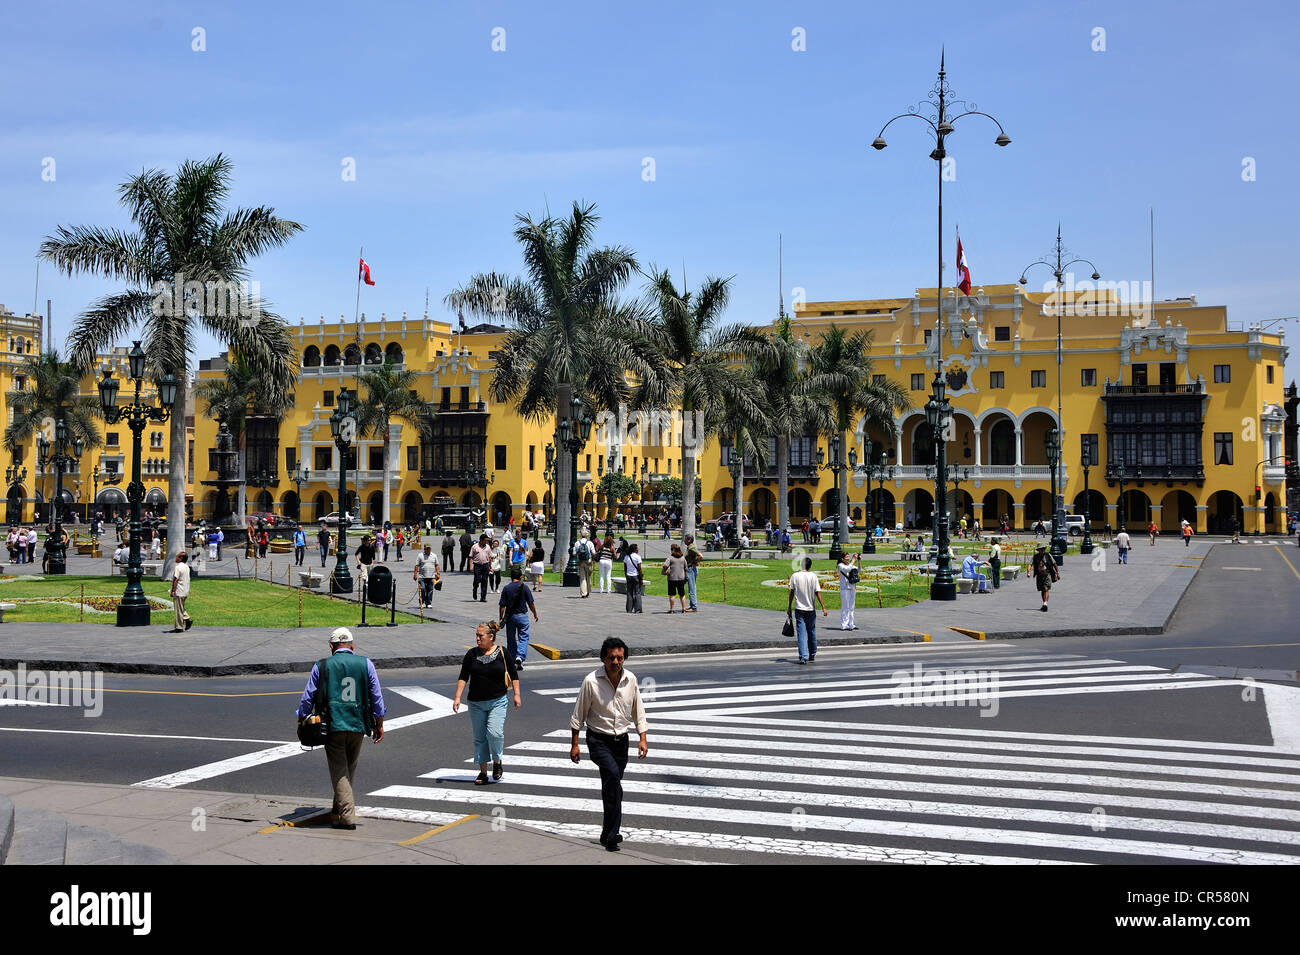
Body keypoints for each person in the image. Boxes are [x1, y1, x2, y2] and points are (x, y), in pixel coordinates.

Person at [295, 628, 386, 830]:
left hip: (333, 724)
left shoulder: (322, 665)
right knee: (349, 767)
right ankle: (338, 809)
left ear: (331, 647)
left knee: (339, 770)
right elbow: (376, 696)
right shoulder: (366, 664)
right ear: (352, 645)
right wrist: (379, 722)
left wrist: (301, 721)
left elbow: (307, 698)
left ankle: (346, 817)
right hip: (358, 723)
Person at [569, 636, 648, 852]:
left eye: (620, 658)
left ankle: (606, 834)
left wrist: (643, 737)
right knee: (613, 777)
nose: (616, 662)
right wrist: (575, 744)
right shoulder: (591, 681)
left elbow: (637, 709)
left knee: (611, 786)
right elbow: (579, 714)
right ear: (604, 658)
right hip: (598, 740)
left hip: (621, 741)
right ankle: (613, 834)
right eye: (612, 658)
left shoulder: (630, 679)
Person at [452, 621, 521, 784]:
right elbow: (463, 676)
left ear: (491, 637)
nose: (477, 638)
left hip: (498, 700)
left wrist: (517, 695)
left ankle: (497, 761)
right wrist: (457, 697)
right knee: (479, 737)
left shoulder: (503, 652)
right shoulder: (471, 654)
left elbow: (514, 674)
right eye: (476, 635)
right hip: (475, 703)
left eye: (480, 636)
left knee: (494, 733)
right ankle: (483, 772)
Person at [786, 557, 827, 664]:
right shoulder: (813, 576)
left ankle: (803, 656)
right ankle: (812, 653)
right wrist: (823, 607)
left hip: (799, 608)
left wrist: (789, 606)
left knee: (801, 633)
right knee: (811, 631)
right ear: (810, 566)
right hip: (811, 608)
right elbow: (818, 592)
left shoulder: (795, 576)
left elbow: (791, 592)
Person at [498, 565, 538, 671]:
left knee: (511, 638)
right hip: (522, 616)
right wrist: (535, 614)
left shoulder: (506, 588)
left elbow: (502, 605)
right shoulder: (524, 587)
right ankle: (520, 657)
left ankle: (512, 658)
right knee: (523, 637)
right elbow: (531, 603)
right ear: (520, 577)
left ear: (511, 577)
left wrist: (501, 618)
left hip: (510, 617)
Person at [1031, 543, 1059, 612]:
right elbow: (1030, 564)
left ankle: (1045, 604)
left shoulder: (1048, 555)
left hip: (1047, 574)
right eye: (1041, 549)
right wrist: (1028, 571)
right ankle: (1044, 604)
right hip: (1039, 576)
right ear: (1038, 550)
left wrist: (1057, 573)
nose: (1042, 550)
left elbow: (1054, 564)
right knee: (1042, 589)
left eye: (1043, 549)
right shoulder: (1036, 556)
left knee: (1046, 588)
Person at [168, 552, 192, 632]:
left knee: (178, 610)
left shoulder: (178, 567)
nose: (176, 558)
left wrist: (173, 590)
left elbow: (176, 579)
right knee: (180, 608)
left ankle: (180, 626)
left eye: (177, 557)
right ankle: (179, 625)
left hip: (179, 591)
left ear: (180, 558)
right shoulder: (186, 567)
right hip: (185, 590)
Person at [662, 542, 688, 614]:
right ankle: (684, 609)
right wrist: (686, 577)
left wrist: (666, 569)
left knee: (672, 594)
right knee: (682, 594)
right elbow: (686, 568)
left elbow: (665, 565)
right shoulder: (683, 558)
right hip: (681, 578)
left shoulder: (670, 558)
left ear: (673, 550)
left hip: (672, 578)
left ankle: (672, 609)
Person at [413, 543, 440, 607]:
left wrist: (438, 573)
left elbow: (437, 565)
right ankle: (422, 602)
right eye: (427, 548)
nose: (429, 549)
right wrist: (415, 574)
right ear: (424, 549)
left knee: (430, 589)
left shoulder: (434, 555)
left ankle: (428, 603)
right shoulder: (420, 555)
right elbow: (416, 565)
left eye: (429, 548)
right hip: (422, 576)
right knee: (422, 588)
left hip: (431, 576)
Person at [836, 551, 858, 631]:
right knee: (845, 607)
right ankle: (844, 625)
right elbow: (847, 569)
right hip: (845, 588)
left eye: (849, 557)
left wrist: (858, 560)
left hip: (852, 587)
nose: (848, 559)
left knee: (851, 607)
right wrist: (853, 559)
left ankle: (851, 624)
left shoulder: (850, 564)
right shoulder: (840, 565)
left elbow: (858, 570)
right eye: (847, 558)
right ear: (842, 559)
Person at [470, 533, 492, 602]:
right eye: (485, 540)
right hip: (477, 565)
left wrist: (490, 567)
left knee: (485, 581)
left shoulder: (488, 547)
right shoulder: (474, 546)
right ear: (481, 540)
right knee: (477, 580)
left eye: (487, 541)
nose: (486, 542)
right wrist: (470, 567)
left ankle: (483, 597)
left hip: (485, 565)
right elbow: (470, 557)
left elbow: (490, 557)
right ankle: (475, 589)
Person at [684, 534, 703, 612]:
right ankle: (692, 605)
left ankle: (694, 606)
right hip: (690, 569)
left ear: (688, 540)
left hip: (691, 569)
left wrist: (694, 563)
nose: (684, 540)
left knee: (692, 588)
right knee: (691, 588)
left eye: (685, 539)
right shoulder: (689, 547)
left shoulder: (692, 547)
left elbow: (700, 555)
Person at [623, 542, 643, 613]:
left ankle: (629, 609)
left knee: (629, 592)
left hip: (629, 576)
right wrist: (641, 578)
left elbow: (625, 567)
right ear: (635, 549)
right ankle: (638, 609)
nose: (638, 549)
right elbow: (639, 568)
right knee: (637, 592)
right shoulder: (638, 557)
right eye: (637, 548)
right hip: (636, 576)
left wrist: (626, 575)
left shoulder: (626, 557)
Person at [574, 531, 595, 597]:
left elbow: (574, 553)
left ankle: (583, 593)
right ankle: (588, 590)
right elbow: (593, 552)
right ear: (587, 536)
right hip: (588, 561)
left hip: (580, 561)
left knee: (582, 577)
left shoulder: (577, 543)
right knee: (588, 576)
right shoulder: (589, 543)